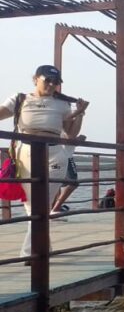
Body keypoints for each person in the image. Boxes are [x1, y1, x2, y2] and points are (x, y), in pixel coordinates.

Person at [0, 65, 88, 261]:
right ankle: (41, 250)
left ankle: (31, 254)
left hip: (55, 153)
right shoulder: (20, 99)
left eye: (55, 82)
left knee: (43, 204)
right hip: (25, 153)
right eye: (47, 80)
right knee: (33, 206)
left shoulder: (62, 104)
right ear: (35, 79)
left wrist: (80, 113)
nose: (51, 85)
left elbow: (71, 134)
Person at [50, 134, 86, 217]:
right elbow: (71, 140)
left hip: (55, 158)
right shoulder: (65, 129)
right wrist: (79, 138)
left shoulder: (55, 128)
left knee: (57, 182)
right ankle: (56, 208)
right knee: (73, 182)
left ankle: (53, 207)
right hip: (66, 158)